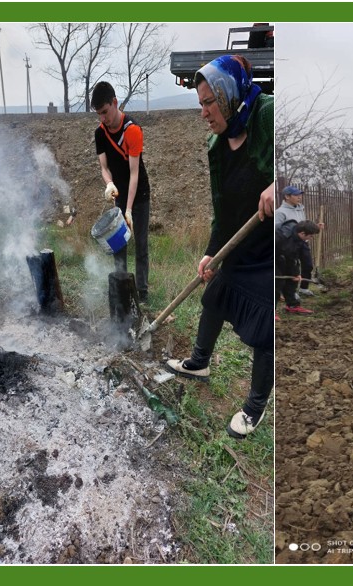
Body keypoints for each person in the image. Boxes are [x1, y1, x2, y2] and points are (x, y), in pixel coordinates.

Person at [163, 55, 272, 440]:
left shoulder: (267, 115)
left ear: (229, 96)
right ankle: (199, 362)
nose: (204, 112)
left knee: (265, 332)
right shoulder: (217, 144)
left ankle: (255, 407)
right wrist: (212, 251)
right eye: (201, 104)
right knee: (212, 298)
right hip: (238, 243)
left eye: (210, 102)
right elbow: (222, 208)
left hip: (271, 250)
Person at [92, 81, 151, 301]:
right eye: (99, 114)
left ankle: (142, 292)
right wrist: (109, 184)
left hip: (139, 192)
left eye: (105, 112)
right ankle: (123, 289)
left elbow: (134, 173)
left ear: (114, 103)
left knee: (141, 244)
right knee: (119, 244)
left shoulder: (132, 130)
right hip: (120, 194)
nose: (103, 118)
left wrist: (128, 210)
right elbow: (104, 168)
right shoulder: (100, 134)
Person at [274, 185, 321, 299]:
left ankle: (303, 288)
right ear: (287, 196)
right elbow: (276, 229)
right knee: (289, 265)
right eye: (296, 195)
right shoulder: (280, 212)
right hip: (287, 244)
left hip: (301, 242)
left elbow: (303, 225)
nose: (299, 197)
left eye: (300, 195)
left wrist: (314, 227)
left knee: (307, 264)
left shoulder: (300, 208)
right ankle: (287, 292)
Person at [276, 221, 319, 315]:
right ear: (303, 233)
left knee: (292, 279)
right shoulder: (280, 236)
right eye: (311, 236)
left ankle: (292, 306)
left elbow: (293, 257)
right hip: (274, 257)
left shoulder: (300, 239)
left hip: (286, 257)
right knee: (278, 281)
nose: (311, 238)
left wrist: (296, 274)